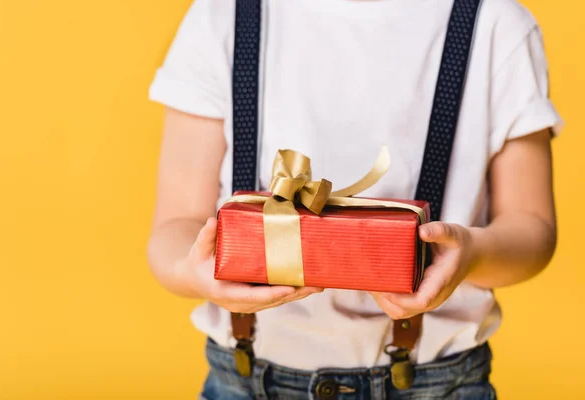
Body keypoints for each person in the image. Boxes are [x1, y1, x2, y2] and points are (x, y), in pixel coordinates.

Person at [146, 0, 563, 398]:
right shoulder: (223, 16)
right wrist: (193, 270)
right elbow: (175, 227)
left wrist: (471, 254)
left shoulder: (494, 24)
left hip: (440, 381)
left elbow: (532, 229)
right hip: (244, 378)